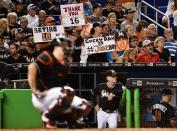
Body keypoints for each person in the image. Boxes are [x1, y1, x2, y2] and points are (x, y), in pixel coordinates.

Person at [28, 38, 92, 128]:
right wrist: (35, 90)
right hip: (41, 96)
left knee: (85, 106)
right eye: (64, 47)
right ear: (57, 47)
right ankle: (47, 117)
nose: (67, 49)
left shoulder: (65, 65)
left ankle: (71, 121)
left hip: (55, 97)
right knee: (68, 91)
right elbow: (32, 67)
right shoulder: (48, 57)